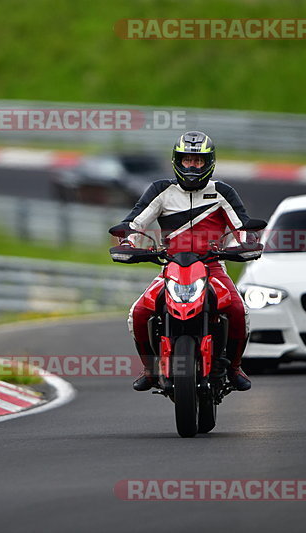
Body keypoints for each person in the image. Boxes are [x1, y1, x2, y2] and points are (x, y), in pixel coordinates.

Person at [114, 131, 254, 392]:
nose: (192, 166)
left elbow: (242, 227)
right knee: (139, 312)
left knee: (238, 310)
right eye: (187, 160)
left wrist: (242, 246)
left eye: (198, 161)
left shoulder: (223, 192)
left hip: (213, 267)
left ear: (209, 162)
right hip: (171, 268)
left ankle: (234, 369)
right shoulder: (161, 190)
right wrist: (128, 243)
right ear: (176, 161)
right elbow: (134, 223)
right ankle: (150, 369)